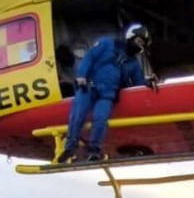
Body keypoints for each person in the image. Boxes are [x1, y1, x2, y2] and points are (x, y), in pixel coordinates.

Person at [63, 23, 159, 165]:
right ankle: (69, 149)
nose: (140, 46)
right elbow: (89, 57)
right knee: (77, 116)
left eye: (142, 45)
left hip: (107, 96)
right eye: (139, 42)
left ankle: (94, 151)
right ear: (130, 37)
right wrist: (81, 75)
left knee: (100, 120)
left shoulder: (133, 63)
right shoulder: (107, 43)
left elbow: (138, 82)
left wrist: (148, 82)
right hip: (88, 88)